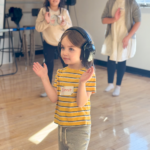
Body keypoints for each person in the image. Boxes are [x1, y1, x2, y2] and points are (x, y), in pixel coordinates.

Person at [33, 27, 96, 150]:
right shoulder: (61, 73)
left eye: (71, 48)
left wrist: (82, 83)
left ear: (85, 51)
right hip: (62, 127)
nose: (65, 52)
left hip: (79, 129)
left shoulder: (88, 74)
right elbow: (54, 98)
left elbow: (81, 103)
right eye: (62, 48)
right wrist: (45, 78)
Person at [101, 0, 141, 96]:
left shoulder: (132, 3)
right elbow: (103, 20)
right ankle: (110, 84)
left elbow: (138, 22)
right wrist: (114, 19)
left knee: (121, 60)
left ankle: (118, 87)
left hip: (125, 37)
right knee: (111, 59)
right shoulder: (110, 2)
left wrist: (128, 37)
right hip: (112, 36)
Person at [35, 0, 72, 97]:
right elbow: (38, 28)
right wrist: (46, 22)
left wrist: (64, 24)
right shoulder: (43, 11)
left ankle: (68, 89)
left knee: (66, 66)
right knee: (48, 66)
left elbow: (70, 28)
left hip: (62, 44)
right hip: (48, 42)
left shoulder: (64, 11)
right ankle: (48, 90)